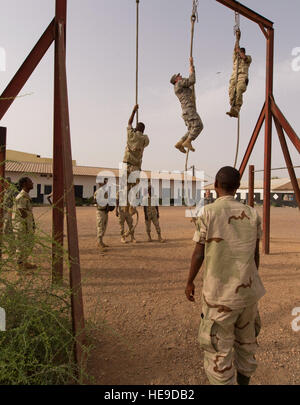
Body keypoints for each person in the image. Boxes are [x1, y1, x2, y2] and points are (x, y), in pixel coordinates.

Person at [185, 166, 265, 385]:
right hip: (247, 296)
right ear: (238, 187)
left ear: (216, 186)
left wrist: (189, 282)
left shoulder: (208, 212)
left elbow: (199, 253)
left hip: (219, 297)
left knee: (219, 352)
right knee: (246, 345)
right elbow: (255, 256)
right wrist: (247, 280)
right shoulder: (252, 213)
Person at [170, 57, 204, 154]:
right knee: (199, 126)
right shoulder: (179, 83)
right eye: (178, 76)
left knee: (191, 129)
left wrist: (192, 67)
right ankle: (188, 141)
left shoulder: (178, 87)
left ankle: (180, 143)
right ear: (176, 80)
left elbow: (190, 85)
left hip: (186, 111)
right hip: (189, 110)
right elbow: (192, 80)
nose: (180, 76)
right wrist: (191, 67)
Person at [12, 177, 37, 270]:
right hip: (21, 227)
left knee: (28, 245)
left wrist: (32, 224)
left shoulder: (26, 196)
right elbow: (22, 212)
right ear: (25, 184)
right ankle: (20, 267)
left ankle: (24, 263)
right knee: (21, 246)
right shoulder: (22, 196)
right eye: (30, 182)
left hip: (26, 226)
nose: (32, 183)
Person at [227, 29, 252, 118]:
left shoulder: (248, 58)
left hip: (242, 77)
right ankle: (232, 108)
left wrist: (239, 52)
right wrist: (237, 38)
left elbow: (244, 57)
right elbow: (235, 48)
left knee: (239, 90)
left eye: (241, 52)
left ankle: (237, 108)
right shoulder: (236, 58)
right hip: (234, 77)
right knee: (231, 92)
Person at [123, 104, 149, 186]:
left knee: (125, 188)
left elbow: (129, 122)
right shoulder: (145, 138)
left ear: (136, 128)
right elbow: (146, 143)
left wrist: (134, 110)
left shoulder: (131, 134)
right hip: (136, 167)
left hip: (126, 164)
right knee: (134, 189)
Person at [94, 178, 113, 251]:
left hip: (105, 211)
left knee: (104, 226)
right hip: (100, 211)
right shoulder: (98, 192)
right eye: (104, 183)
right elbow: (96, 201)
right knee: (100, 226)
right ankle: (99, 242)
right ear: (100, 184)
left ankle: (101, 241)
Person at [2, 177, 17, 254]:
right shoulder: (5, 190)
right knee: (7, 231)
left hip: (9, 213)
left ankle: (12, 248)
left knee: (7, 230)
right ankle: (11, 248)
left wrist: (11, 211)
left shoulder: (12, 191)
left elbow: (15, 202)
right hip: (4, 212)